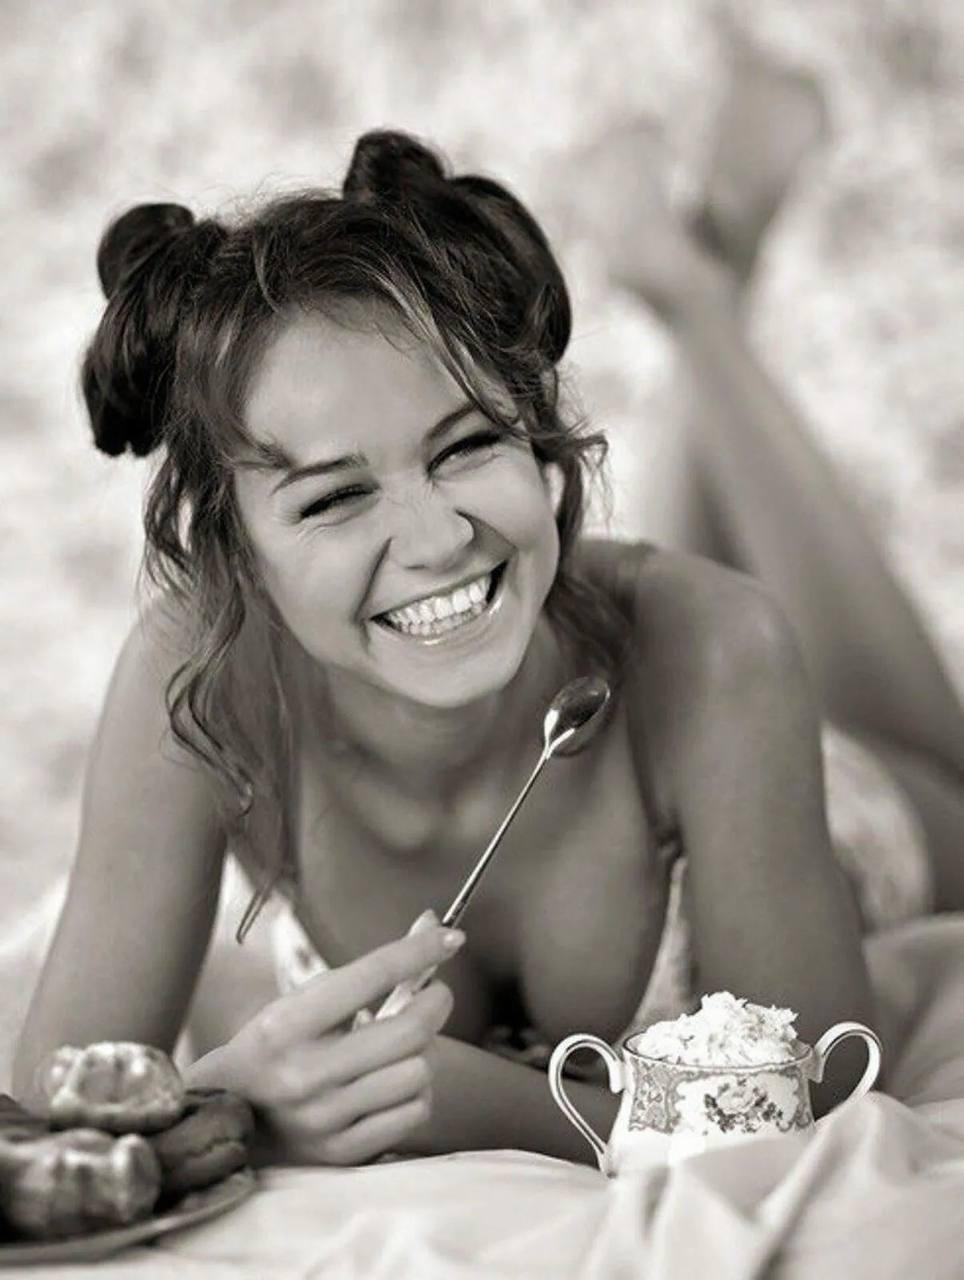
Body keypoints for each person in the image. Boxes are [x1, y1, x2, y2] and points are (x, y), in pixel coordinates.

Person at [13, 47, 963, 1170]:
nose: (435, 537)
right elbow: (54, 1119)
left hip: (849, 800)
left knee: (724, 642)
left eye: (466, 446)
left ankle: (701, 305)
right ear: (233, 557)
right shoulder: (198, 683)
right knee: (639, 618)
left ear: (541, 443)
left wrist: (494, 1107)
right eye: (333, 497)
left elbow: (817, 1102)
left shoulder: (722, 645)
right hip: (646, 685)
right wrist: (243, 1101)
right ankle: (704, 275)